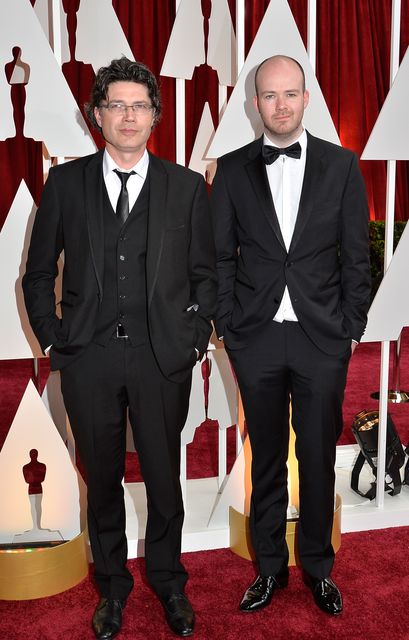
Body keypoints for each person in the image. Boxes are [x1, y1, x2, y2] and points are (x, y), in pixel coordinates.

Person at [23, 56, 217, 639]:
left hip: (164, 359)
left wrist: (192, 340)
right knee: (101, 478)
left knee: (163, 478)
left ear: (154, 116)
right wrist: (56, 338)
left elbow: (207, 274)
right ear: (97, 116)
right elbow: (36, 275)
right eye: (117, 105)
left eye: (139, 105)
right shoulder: (66, 184)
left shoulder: (185, 187)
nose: (128, 116)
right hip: (89, 360)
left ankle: (169, 581)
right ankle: (111, 588)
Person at [211, 55, 371, 616]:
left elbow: (357, 256)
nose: (280, 105)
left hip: (321, 336)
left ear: (307, 99)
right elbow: (219, 257)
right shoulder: (230, 170)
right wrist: (228, 325)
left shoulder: (342, 166)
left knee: (320, 454)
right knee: (267, 457)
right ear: (256, 104)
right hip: (254, 336)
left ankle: (319, 567)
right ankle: (270, 567)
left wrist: (352, 326)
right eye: (270, 96)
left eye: (290, 94)